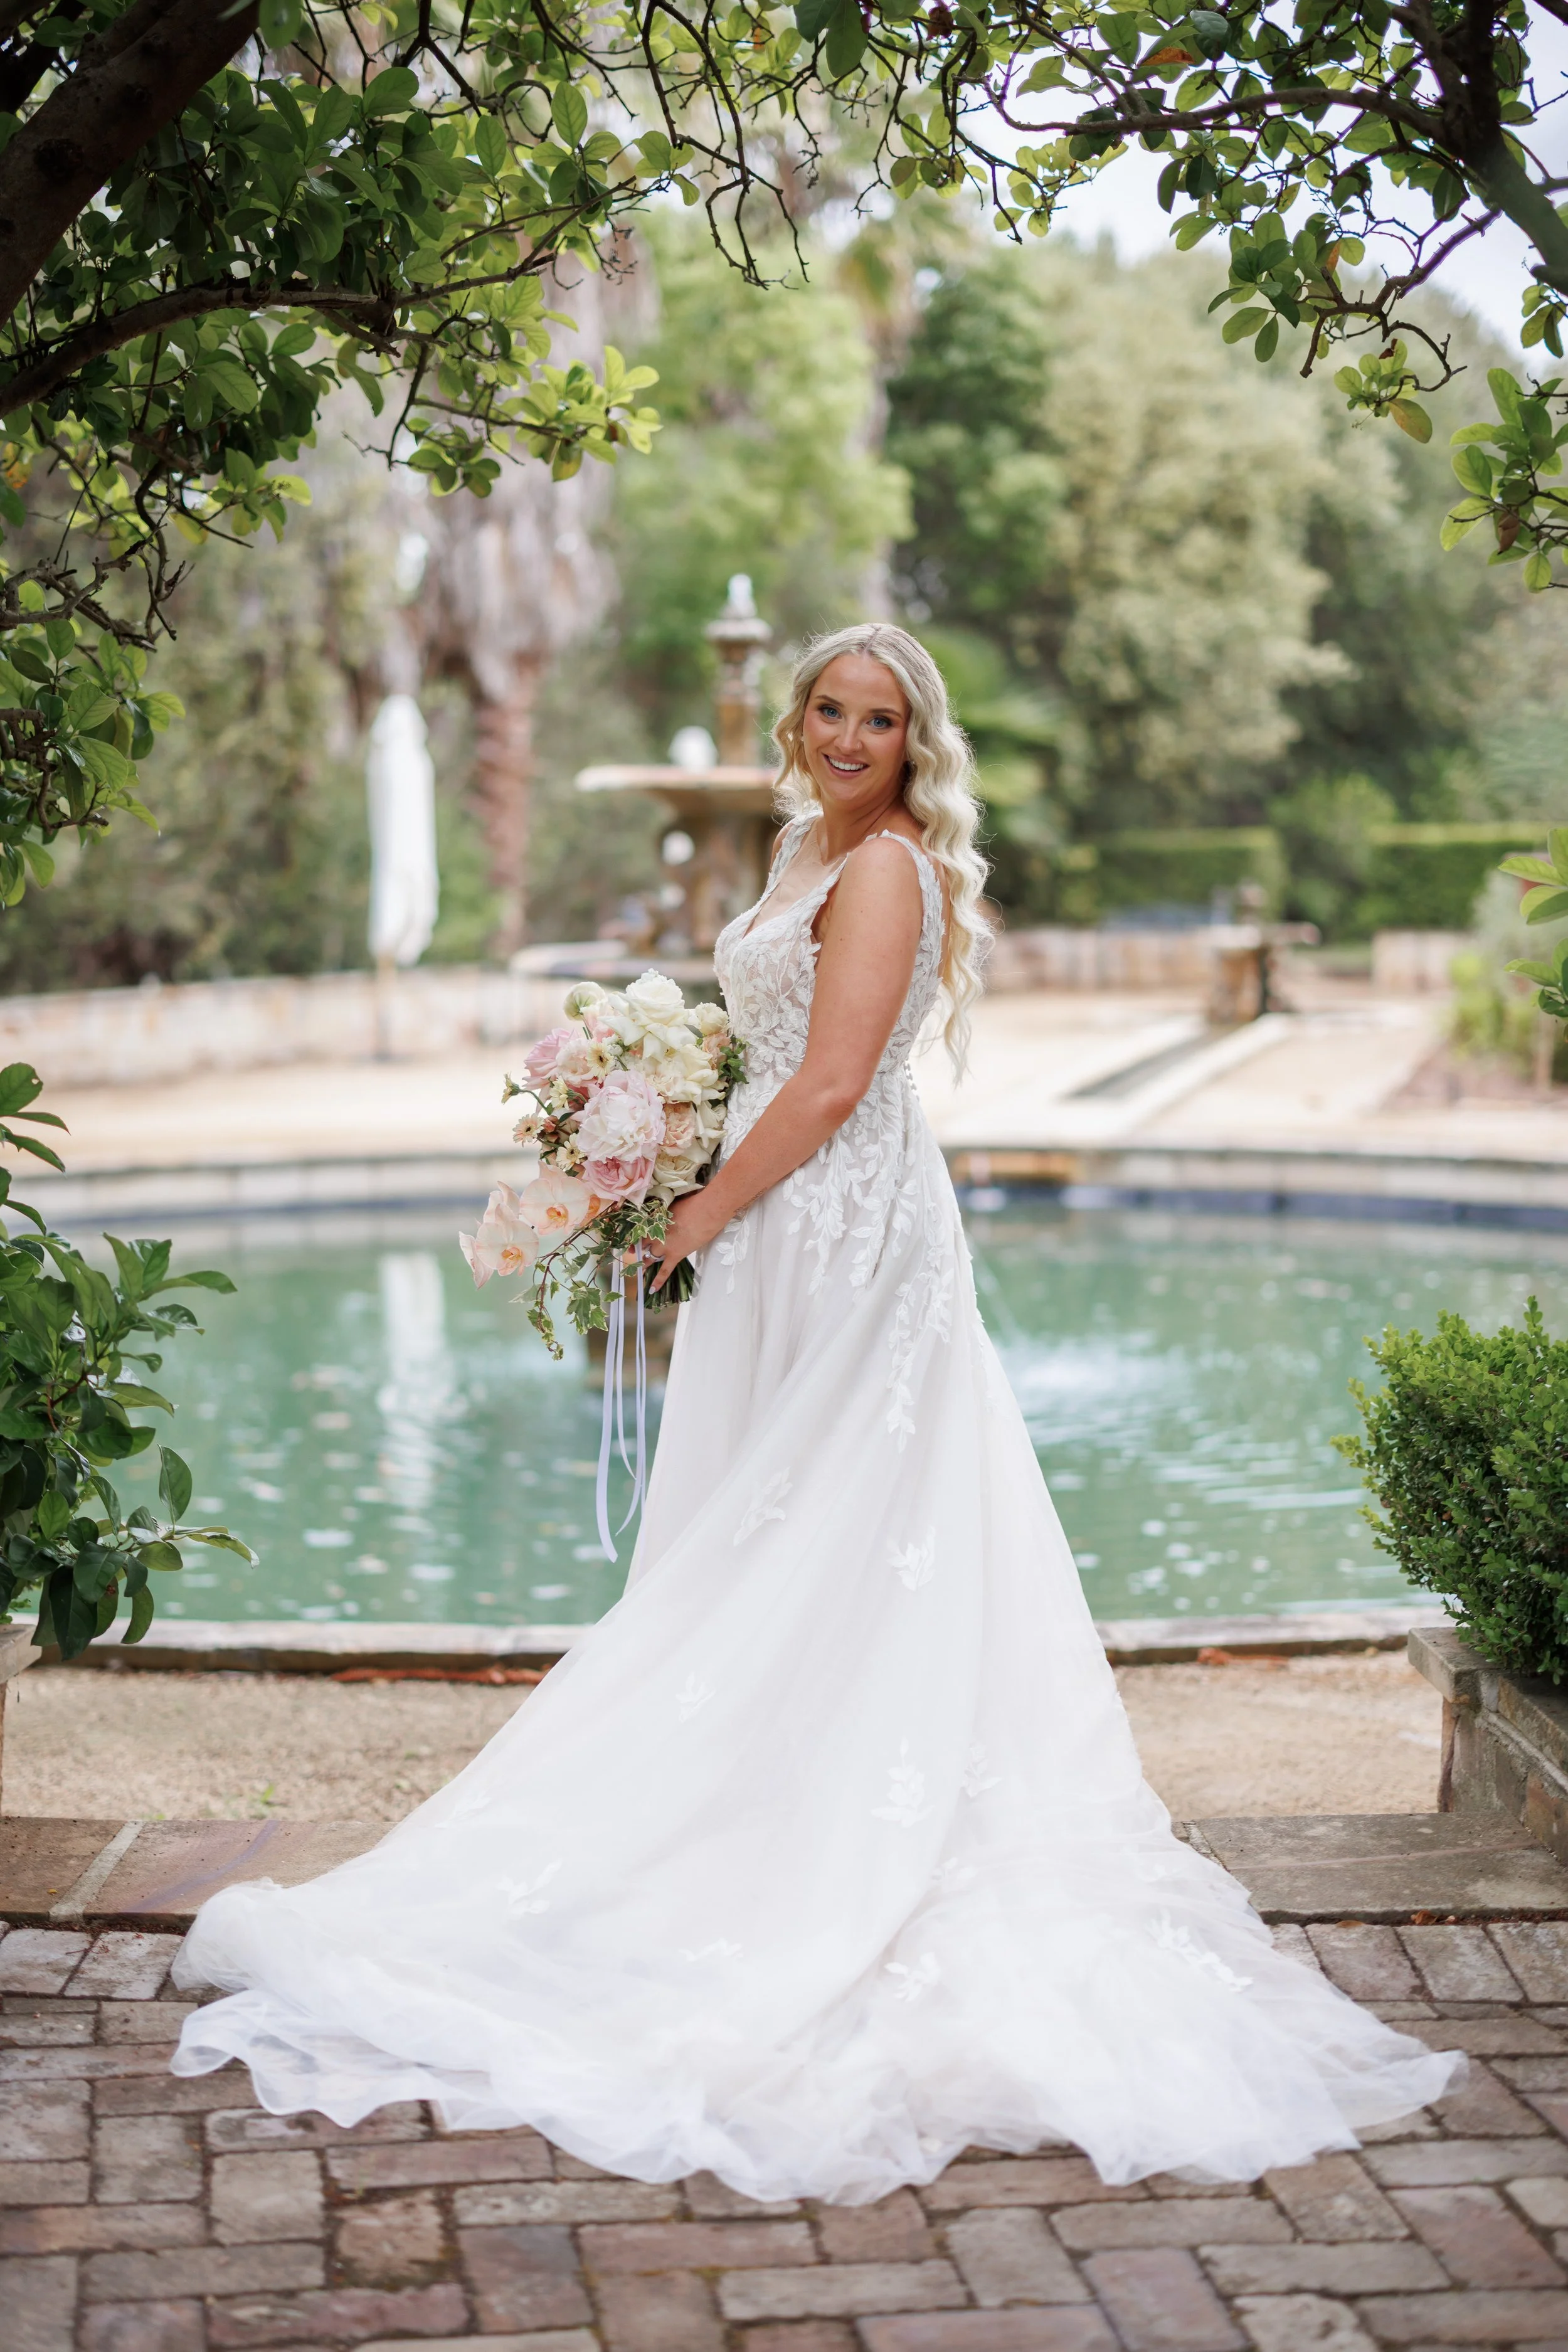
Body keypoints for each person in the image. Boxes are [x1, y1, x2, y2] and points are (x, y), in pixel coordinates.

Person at [172, 624, 1461, 2203]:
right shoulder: (797, 843)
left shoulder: (892, 873)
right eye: (831, 713)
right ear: (796, 723)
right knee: (749, 1531)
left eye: (880, 721)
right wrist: (637, 1119)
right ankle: (742, 1812)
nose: (851, 740)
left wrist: (697, 1214)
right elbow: (758, 1047)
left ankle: (833, 1844)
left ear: (915, 744)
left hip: (846, 1239)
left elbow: (839, 1082)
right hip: (779, 1224)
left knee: (832, 1529)